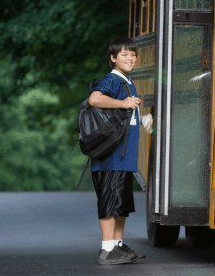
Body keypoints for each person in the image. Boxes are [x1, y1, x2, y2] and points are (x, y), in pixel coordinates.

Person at [88, 36, 152, 265]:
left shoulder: (127, 81)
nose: (130, 58)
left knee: (121, 203)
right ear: (113, 58)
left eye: (133, 54)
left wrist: (143, 118)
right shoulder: (113, 80)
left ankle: (116, 246)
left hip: (123, 157)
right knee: (109, 200)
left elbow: (126, 116)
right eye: (124, 54)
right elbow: (95, 99)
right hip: (111, 156)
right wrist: (124, 103)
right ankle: (106, 250)